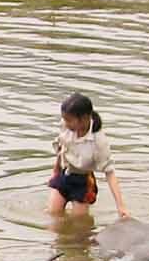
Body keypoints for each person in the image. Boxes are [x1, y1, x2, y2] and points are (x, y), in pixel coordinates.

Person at [47, 91, 129, 219]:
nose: (65, 123)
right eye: (64, 119)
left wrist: (121, 206)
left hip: (83, 182)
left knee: (79, 225)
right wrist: (55, 171)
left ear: (84, 118)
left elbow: (110, 173)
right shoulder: (66, 125)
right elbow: (62, 148)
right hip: (64, 175)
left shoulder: (99, 141)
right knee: (53, 215)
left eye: (69, 120)